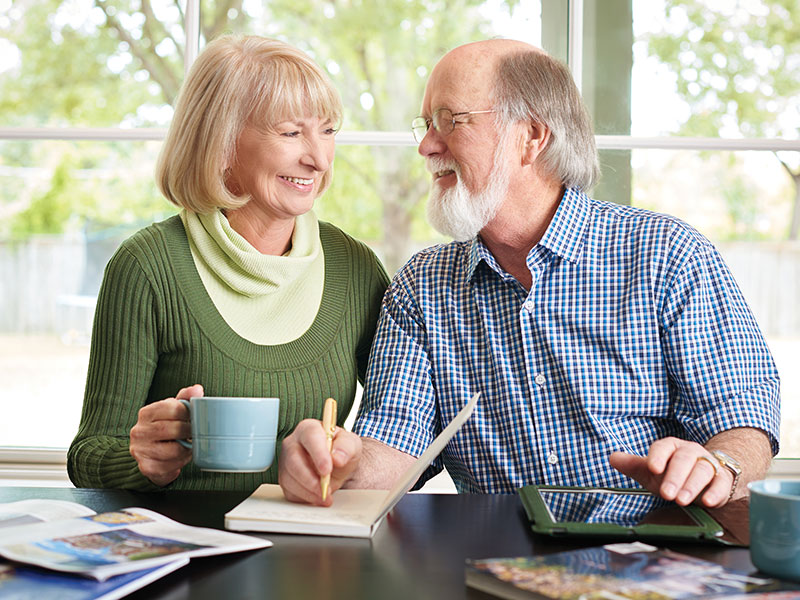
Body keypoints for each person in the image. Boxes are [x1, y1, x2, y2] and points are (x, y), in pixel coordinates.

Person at [278, 39, 780, 509]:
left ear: (531, 136)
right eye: (426, 124)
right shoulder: (422, 286)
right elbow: (395, 449)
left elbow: (744, 421)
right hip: (497, 564)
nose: (427, 146)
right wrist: (338, 462)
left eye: (450, 120)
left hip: (654, 555)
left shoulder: (668, 254)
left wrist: (718, 467)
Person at [67, 35, 389, 491]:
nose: (318, 158)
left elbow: (400, 436)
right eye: (291, 132)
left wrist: (352, 461)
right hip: (186, 549)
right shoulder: (147, 267)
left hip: (305, 548)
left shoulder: (355, 269)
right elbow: (88, 455)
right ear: (222, 144)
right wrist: (141, 459)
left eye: (328, 130)